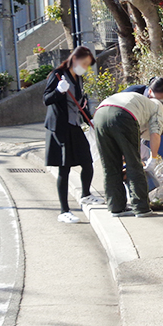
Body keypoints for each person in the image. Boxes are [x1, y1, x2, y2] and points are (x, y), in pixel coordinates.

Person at [43, 46, 103, 223]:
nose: (85, 67)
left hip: (75, 125)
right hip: (60, 128)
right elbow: (46, 99)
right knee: (64, 168)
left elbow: (80, 103)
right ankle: (64, 211)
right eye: (84, 63)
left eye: (87, 65)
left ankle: (86, 194)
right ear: (74, 59)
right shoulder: (57, 75)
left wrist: (90, 120)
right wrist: (58, 91)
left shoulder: (78, 78)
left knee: (87, 161)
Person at [94, 88, 163, 217]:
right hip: (123, 115)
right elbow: (155, 133)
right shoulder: (158, 106)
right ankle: (141, 208)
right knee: (134, 163)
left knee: (110, 165)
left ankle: (116, 207)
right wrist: (153, 158)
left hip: (100, 115)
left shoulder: (140, 103)